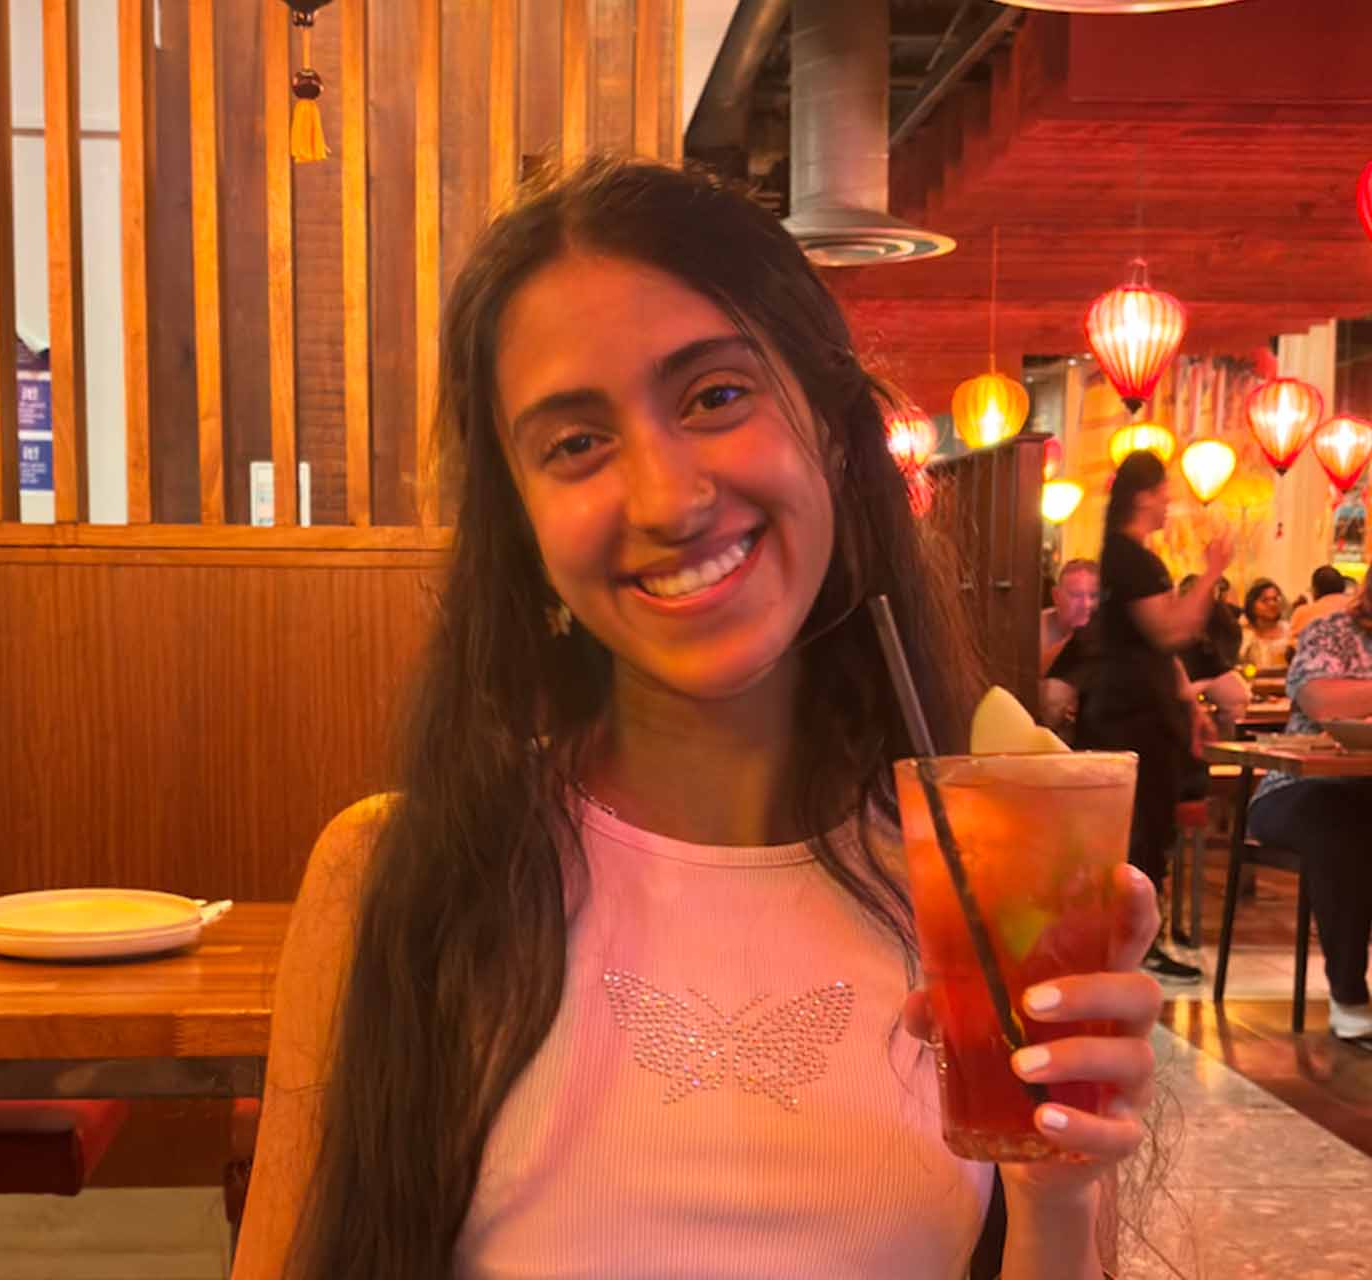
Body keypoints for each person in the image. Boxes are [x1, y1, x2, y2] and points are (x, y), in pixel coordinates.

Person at [236, 159, 1161, 1280]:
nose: (670, 500)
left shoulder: (977, 875)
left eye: (715, 395)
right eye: (575, 443)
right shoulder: (401, 874)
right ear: (519, 522)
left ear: (829, 425)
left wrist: (1056, 1196)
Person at [1073, 450, 1230, 982]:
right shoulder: (1130, 557)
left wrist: (1188, 701)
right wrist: (1212, 573)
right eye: (1165, 492)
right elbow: (1171, 631)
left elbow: (1151, 647)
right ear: (1143, 495)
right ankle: (1135, 945)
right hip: (1131, 716)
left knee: (1141, 828)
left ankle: (1137, 940)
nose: (1169, 503)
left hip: (1131, 709)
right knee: (1138, 832)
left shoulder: (1122, 555)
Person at [1247, 587, 1372, 1044]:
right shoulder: (1331, 630)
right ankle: (1349, 994)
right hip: (1298, 788)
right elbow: (1322, 700)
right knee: (1344, 826)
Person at [1177, 574, 1250, 738]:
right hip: (1182, 682)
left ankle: (1225, 748)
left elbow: (1223, 655)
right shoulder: (1176, 622)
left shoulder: (1220, 617)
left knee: (1238, 695)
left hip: (1208, 677)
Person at [1039, 559, 1099, 734]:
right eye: (1076, 596)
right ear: (1056, 596)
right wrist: (1075, 638)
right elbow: (1026, 679)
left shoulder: (1107, 632)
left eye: (1093, 596)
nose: (1086, 604)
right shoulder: (1037, 628)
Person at [1239, 578, 1295, 671]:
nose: (1272, 604)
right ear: (1252, 605)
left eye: (1275, 599)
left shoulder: (1290, 631)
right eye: (1264, 600)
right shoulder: (1245, 635)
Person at [1289, 565, 1355, 637]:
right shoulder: (1357, 609)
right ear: (1343, 588)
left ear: (1315, 590)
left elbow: (1292, 643)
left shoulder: (1303, 613)